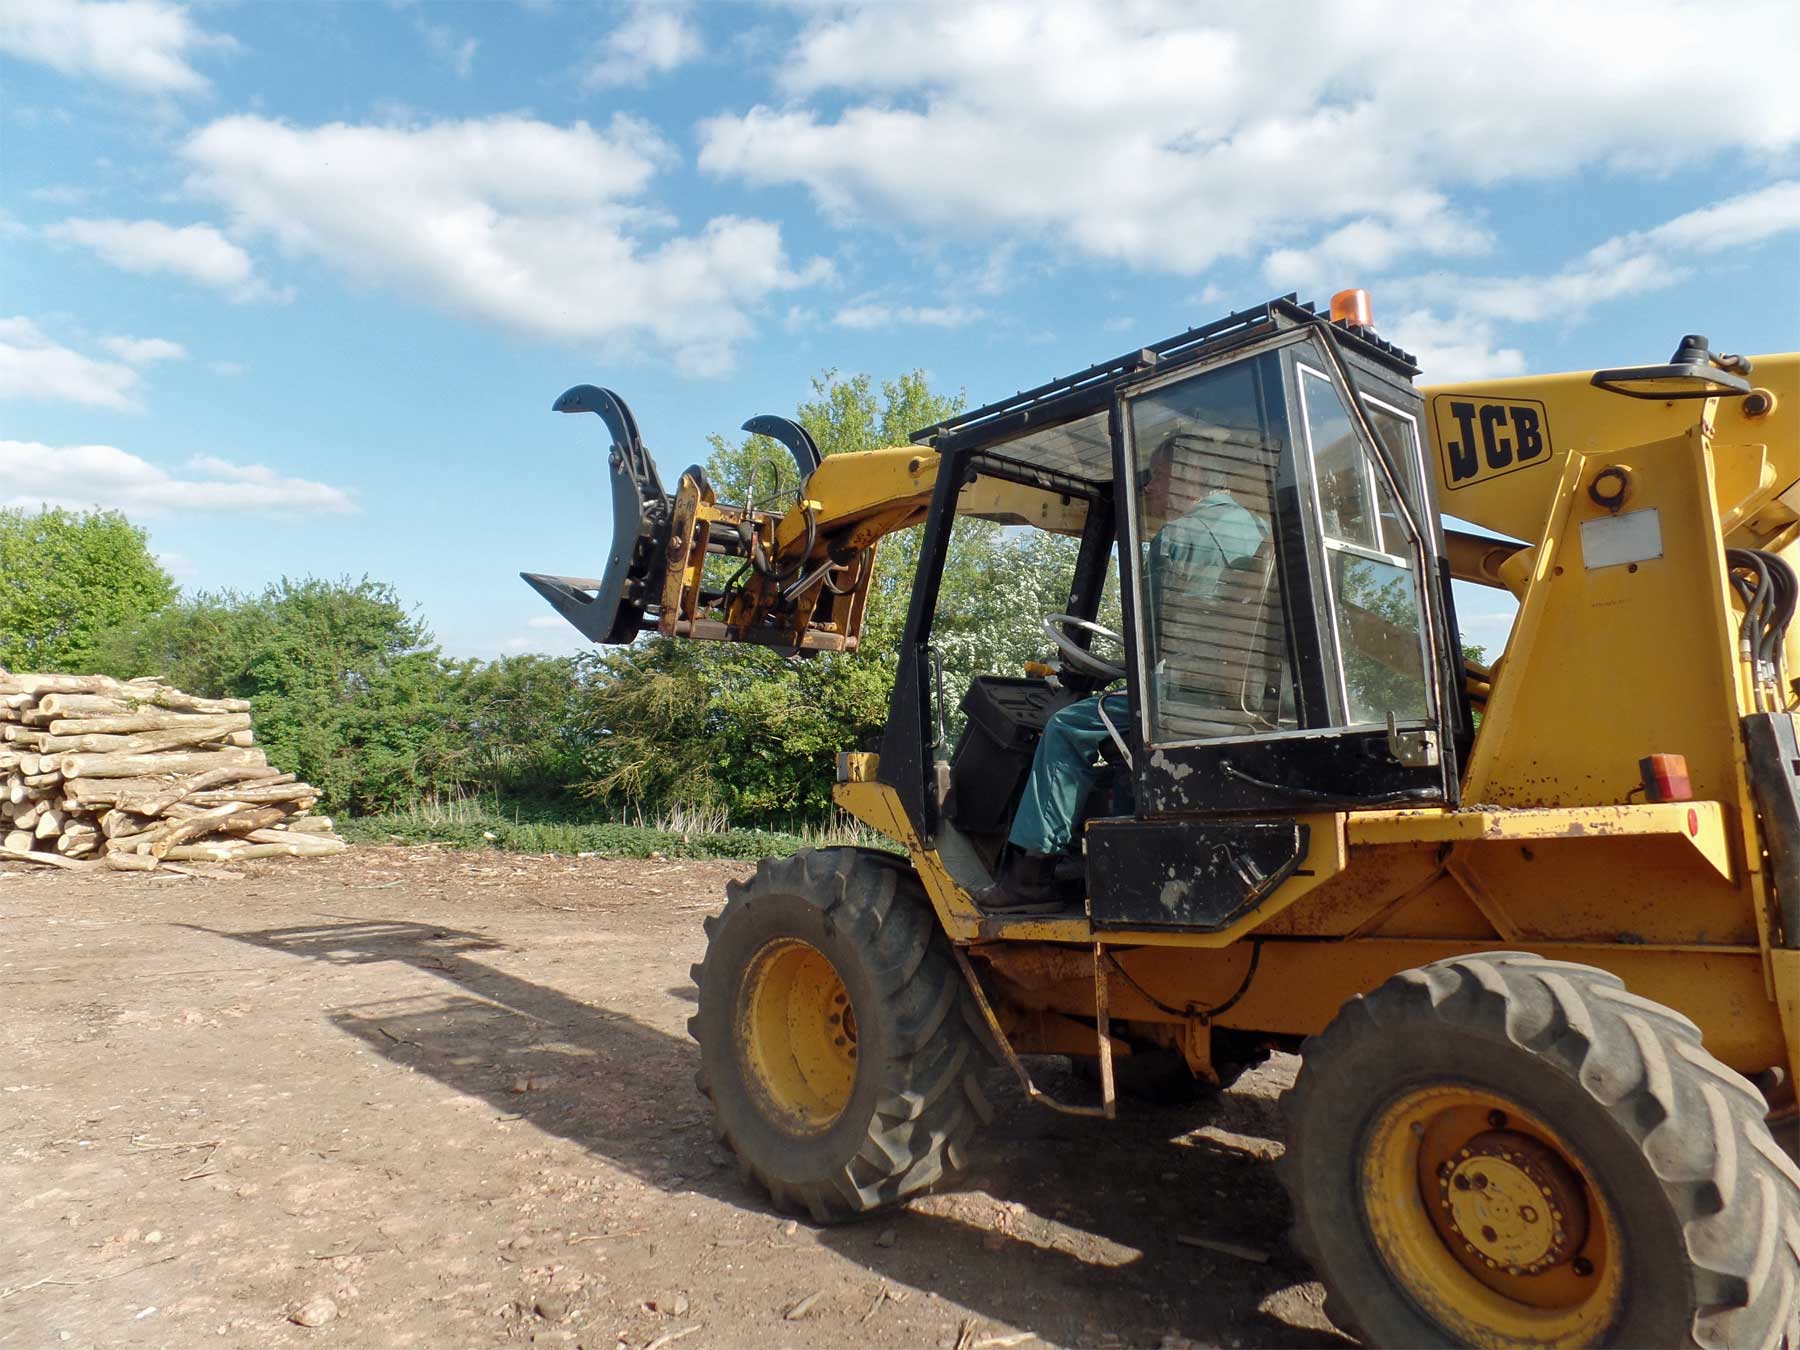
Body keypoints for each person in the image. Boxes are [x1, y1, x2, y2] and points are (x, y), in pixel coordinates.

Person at [976, 432, 1270, 911]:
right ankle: (1080, 852)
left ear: (1191, 475)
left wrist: (1115, 668)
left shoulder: (1177, 537)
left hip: (1185, 697)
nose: (1151, 489)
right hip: (1242, 699)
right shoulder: (1256, 530)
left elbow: (1147, 639)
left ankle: (1030, 876)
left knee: (1065, 728)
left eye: (1158, 476)